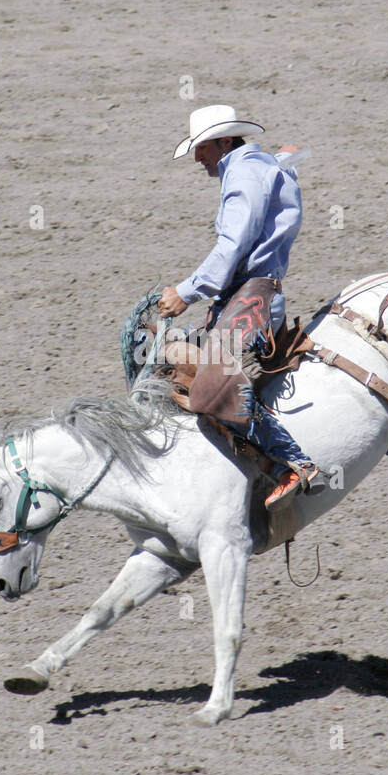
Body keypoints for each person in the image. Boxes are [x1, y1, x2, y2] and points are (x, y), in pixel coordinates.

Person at [159, 104, 327, 509]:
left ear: (222, 141)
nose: (197, 158)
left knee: (207, 392)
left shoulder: (244, 172)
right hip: (245, 295)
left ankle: (294, 464)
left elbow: (233, 244)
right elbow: (282, 164)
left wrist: (187, 291)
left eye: (201, 148)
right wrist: (287, 157)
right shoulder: (256, 165)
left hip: (251, 297)